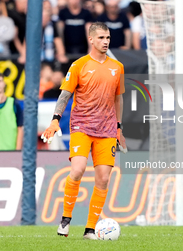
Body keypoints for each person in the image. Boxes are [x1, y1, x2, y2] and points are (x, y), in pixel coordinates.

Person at [41, 22, 127, 240]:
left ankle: (90, 229)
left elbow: (119, 98)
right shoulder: (79, 65)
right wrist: (54, 121)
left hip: (107, 129)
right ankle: (66, 219)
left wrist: (119, 127)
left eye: (107, 38)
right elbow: (64, 95)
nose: (105, 41)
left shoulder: (117, 67)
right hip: (82, 126)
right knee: (78, 170)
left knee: (104, 178)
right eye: (101, 38)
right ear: (91, 39)